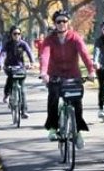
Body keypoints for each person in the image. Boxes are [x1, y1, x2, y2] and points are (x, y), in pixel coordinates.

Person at [40, 10, 96, 149]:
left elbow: (84, 53)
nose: (61, 24)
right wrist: (44, 73)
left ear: (68, 22)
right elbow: (44, 56)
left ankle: (77, 132)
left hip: (73, 74)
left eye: (64, 21)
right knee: (53, 97)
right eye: (58, 21)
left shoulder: (75, 37)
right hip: (55, 75)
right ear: (55, 23)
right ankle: (53, 127)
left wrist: (91, 71)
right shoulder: (49, 40)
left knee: (77, 103)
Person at [0, 26, 34, 118]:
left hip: (20, 67)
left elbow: (29, 52)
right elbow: (2, 54)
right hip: (9, 66)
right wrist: (0, 63)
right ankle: (7, 94)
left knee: (23, 90)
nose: (17, 35)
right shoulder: (7, 44)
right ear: (11, 35)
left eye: (18, 34)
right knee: (10, 79)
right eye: (14, 34)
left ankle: (24, 111)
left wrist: (32, 62)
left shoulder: (23, 44)